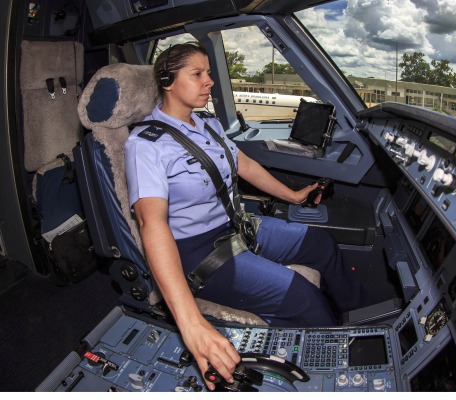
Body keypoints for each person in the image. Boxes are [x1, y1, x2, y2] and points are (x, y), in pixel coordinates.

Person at [124, 42, 368, 389]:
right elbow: (152, 224)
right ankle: (333, 372)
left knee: (320, 242)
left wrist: (293, 194)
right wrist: (190, 323)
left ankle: (358, 327)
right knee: (301, 295)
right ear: (167, 80)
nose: (208, 81)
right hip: (198, 252)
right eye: (197, 74)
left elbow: (244, 164)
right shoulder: (146, 145)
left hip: (234, 226)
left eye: (209, 72)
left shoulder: (206, 122)